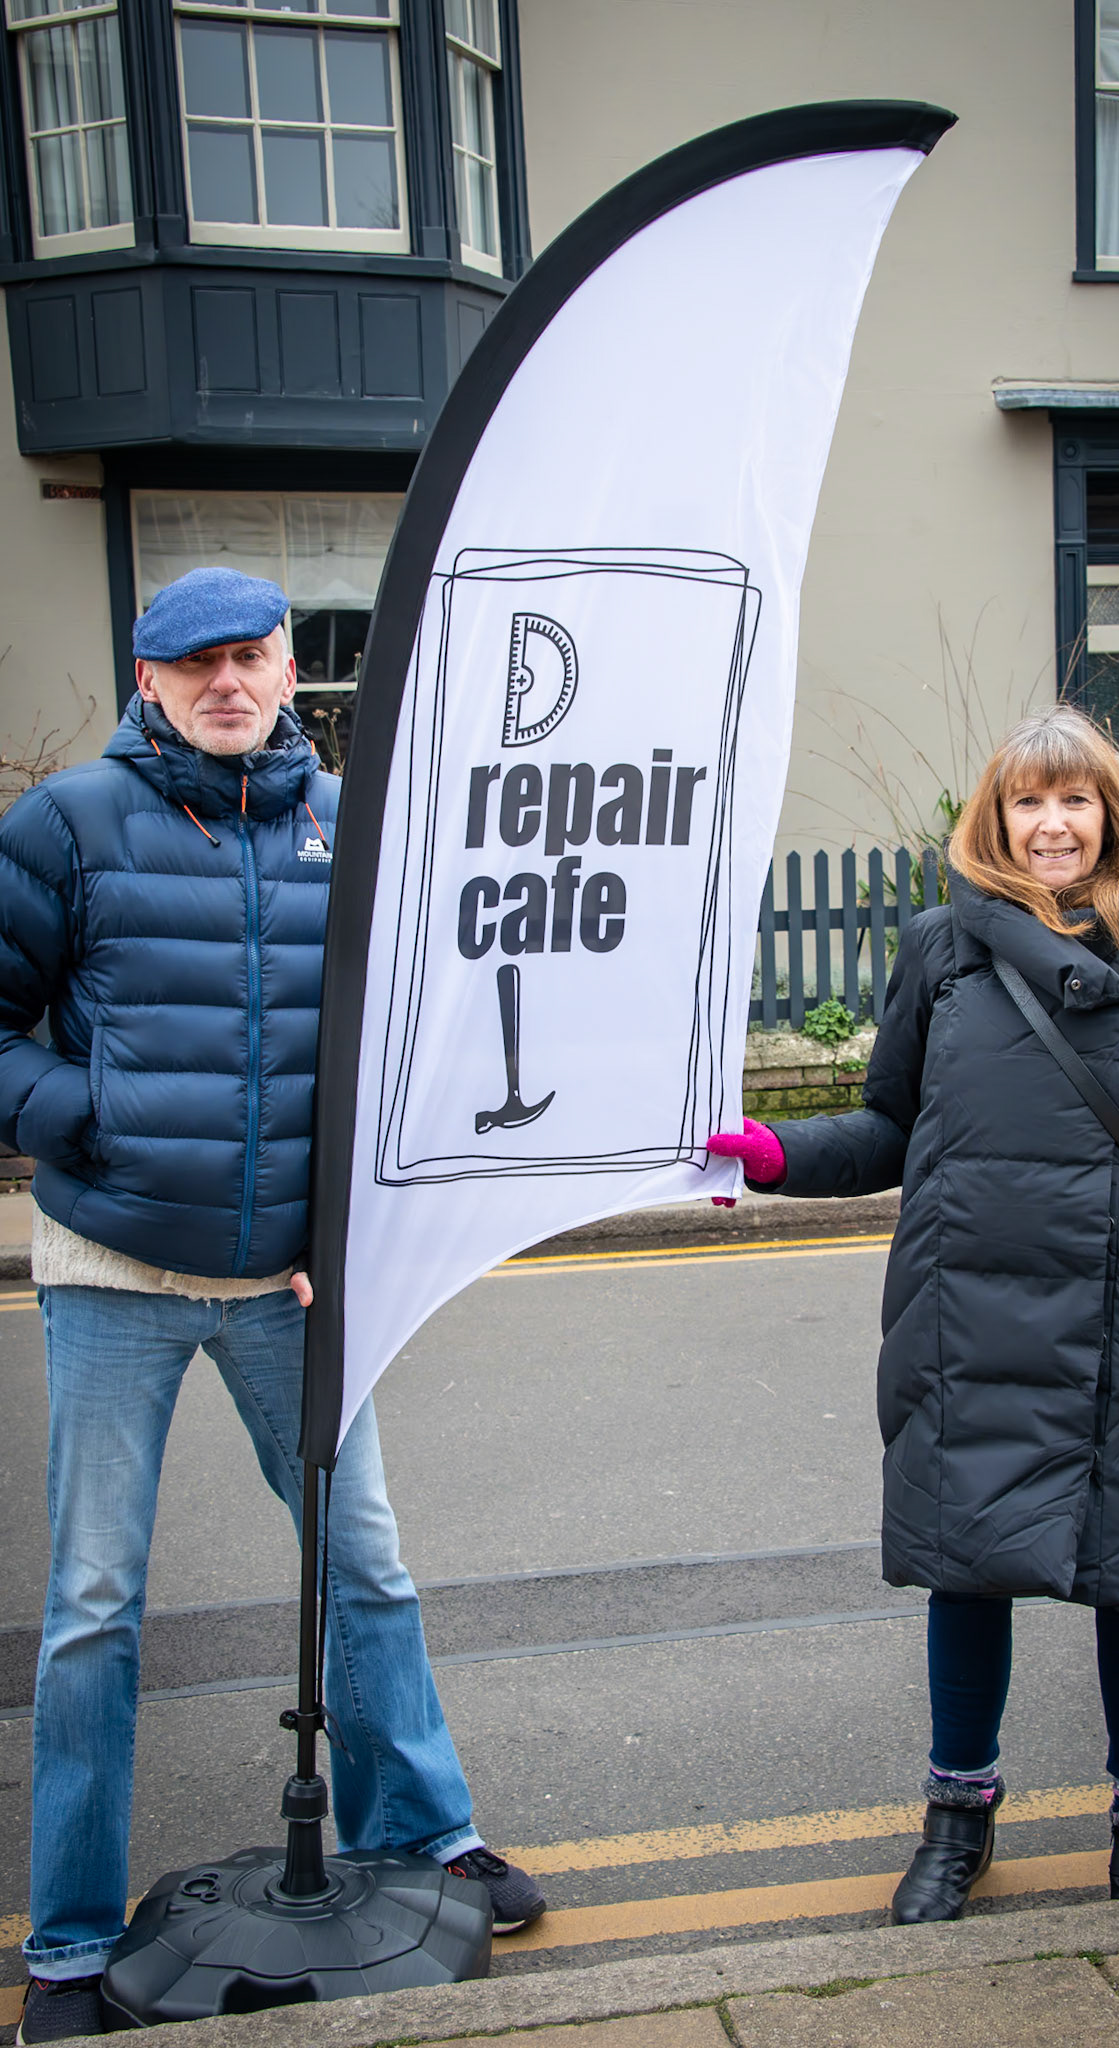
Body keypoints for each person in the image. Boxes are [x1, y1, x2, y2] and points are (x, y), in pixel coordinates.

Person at [0, 569, 544, 2045]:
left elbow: (393, 1042)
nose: (226, 684)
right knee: (93, 1611)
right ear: (148, 675)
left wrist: (344, 1220)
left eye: (249, 658)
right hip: (115, 1267)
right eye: (195, 665)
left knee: (365, 1568)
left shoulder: (342, 823)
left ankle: (424, 1835)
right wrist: (81, 1114)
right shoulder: (66, 825)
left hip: (290, 1285)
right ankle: (67, 1941)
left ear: (288, 666)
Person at [708, 705, 1119, 1924]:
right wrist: (775, 1150)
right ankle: (957, 1817)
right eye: (1027, 802)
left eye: (1075, 799)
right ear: (993, 820)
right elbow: (890, 1124)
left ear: (1112, 813)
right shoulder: (941, 946)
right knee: (965, 1567)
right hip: (963, 1306)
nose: (1052, 823)